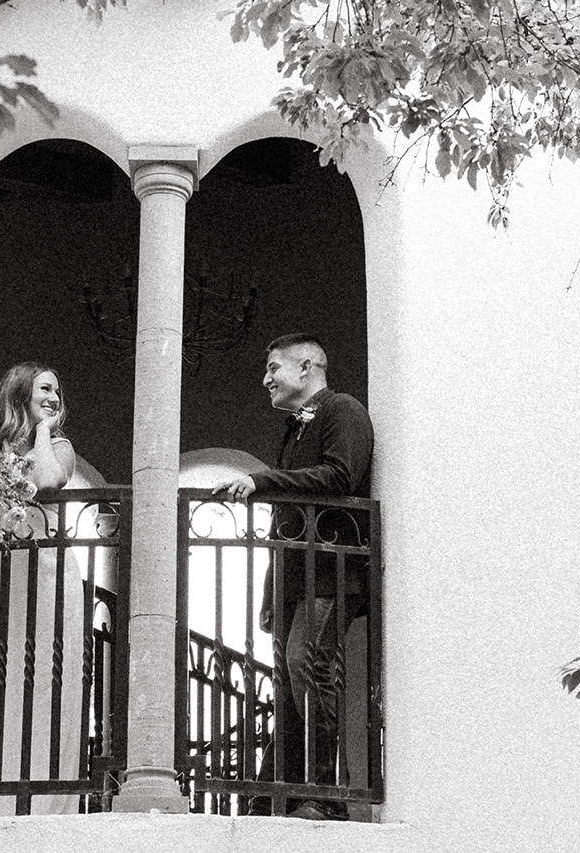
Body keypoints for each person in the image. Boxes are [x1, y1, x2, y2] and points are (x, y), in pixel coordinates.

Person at [218, 334, 374, 820]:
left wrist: (262, 480)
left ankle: (330, 795)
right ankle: (275, 792)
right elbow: (284, 520)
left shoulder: (342, 410)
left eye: (273, 368)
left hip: (329, 571)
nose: (266, 379)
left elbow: (339, 475)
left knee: (310, 669)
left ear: (306, 368)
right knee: (288, 681)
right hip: (293, 578)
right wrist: (271, 594)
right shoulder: (294, 429)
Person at [0, 363, 85, 816]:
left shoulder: (59, 445)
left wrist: (43, 431)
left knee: (45, 674)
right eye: (46, 388)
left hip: (45, 570)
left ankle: (41, 797)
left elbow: (47, 480)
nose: (54, 398)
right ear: (20, 391)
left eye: (58, 393)